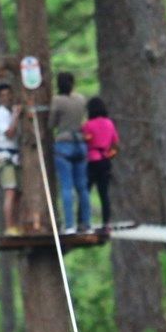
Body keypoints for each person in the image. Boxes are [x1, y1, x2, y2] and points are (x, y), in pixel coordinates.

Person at [50, 72, 92, 234]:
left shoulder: (57, 100)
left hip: (64, 144)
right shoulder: (81, 99)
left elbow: (51, 123)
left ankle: (69, 225)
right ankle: (86, 223)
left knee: (67, 187)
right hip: (80, 144)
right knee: (82, 187)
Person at [83, 96, 118, 230]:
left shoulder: (88, 125)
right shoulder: (109, 123)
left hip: (92, 160)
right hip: (105, 160)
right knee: (104, 193)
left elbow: (85, 139)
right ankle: (106, 222)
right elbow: (115, 142)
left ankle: (83, 221)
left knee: (86, 190)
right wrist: (109, 154)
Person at [0, 82, 20, 233]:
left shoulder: (7, 113)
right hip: (5, 156)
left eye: (9, 94)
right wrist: (16, 115)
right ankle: (9, 227)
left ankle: (16, 224)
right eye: (3, 96)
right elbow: (9, 133)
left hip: (13, 155)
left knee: (15, 192)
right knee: (10, 191)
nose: (7, 98)